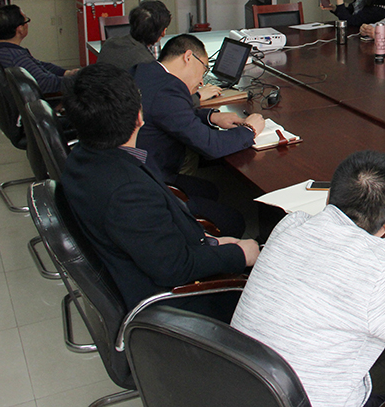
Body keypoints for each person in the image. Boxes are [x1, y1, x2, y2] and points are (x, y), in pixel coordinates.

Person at [232, 150, 385, 407]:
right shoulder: (382, 273)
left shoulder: (291, 225)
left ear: (329, 196)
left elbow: (339, 251)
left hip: (243, 389)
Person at [60, 64, 258, 320]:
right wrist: (239, 255)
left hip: (150, 260)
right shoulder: (128, 192)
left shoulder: (81, 157)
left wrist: (211, 242)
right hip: (173, 306)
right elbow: (174, 268)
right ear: (139, 118)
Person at [133, 34, 264, 238]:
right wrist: (249, 130)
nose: (202, 80)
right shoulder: (167, 90)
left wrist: (212, 117)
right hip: (151, 182)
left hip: (138, 168)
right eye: (204, 69)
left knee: (209, 190)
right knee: (235, 222)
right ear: (188, 57)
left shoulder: (146, 71)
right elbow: (210, 145)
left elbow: (170, 114)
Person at [0, 3, 79, 95]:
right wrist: (82, 79)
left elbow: (38, 64)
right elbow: (47, 84)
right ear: (20, 29)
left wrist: (65, 73)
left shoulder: (0, 49)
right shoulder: (16, 57)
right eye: (26, 20)